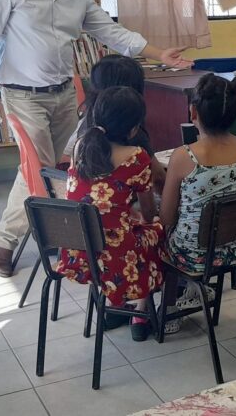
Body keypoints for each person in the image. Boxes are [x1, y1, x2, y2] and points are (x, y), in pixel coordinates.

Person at [0, 0, 189, 277]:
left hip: (65, 92)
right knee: (36, 169)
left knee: (59, 168)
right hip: (22, 95)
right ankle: (4, 245)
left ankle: (63, 234)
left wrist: (160, 54)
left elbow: (113, 33)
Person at [56, 86, 164, 342]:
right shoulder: (137, 156)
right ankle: (141, 310)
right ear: (134, 128)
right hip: (116, 256)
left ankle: (112, 306)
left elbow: (94, 200)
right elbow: (148, 212)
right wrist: (150, 220)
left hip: (78, 249)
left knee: (123, 230)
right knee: (157, 231)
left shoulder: (81, 146)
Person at [159, 74, 236, 332]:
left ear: (193, 112)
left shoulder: (183, 156)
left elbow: (166, 218)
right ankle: (196, 288)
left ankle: (169, 311)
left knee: (159, 234)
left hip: (194, 257)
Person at [59, 55, 166, 193]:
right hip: (121, 206)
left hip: (82, 202)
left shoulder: (89, 118)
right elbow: (158, 178)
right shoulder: (131, 131)